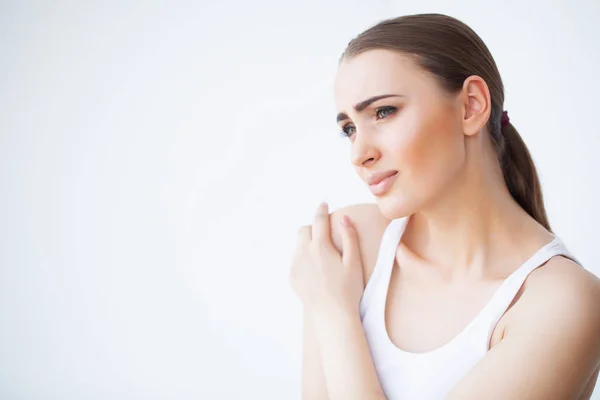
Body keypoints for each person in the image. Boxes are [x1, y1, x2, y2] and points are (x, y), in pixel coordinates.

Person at [288, 13, 600, 400]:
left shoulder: (560, 302)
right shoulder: (350, 242)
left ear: (471, 105)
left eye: (384, 112)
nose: (359, 153)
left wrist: (336, 316)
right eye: (349, 128)